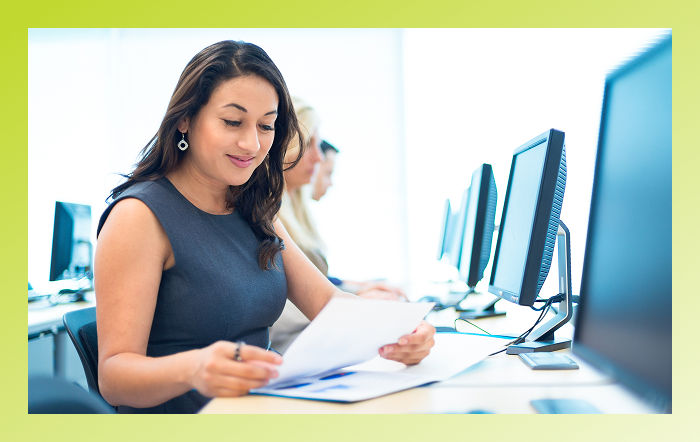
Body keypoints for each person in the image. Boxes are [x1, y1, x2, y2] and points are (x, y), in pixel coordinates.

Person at [93, 40, 435, 414]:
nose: (252, 144)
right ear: (185, 119)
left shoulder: (254, 206)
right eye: (232, 122)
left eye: (266, 126)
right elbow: (114, 378)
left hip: (264, 411)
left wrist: (402, 333)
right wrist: (192, 369)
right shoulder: (138, 216)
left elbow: (330, 305)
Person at [270, 98, 408, 352]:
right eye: (309, 144)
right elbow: (283, 307)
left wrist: (358, 293)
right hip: (294, 347)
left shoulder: (294, 210)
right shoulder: (264, 215)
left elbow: (319, 286)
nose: (319, 157)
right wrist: (360, 300)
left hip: (313, 340)